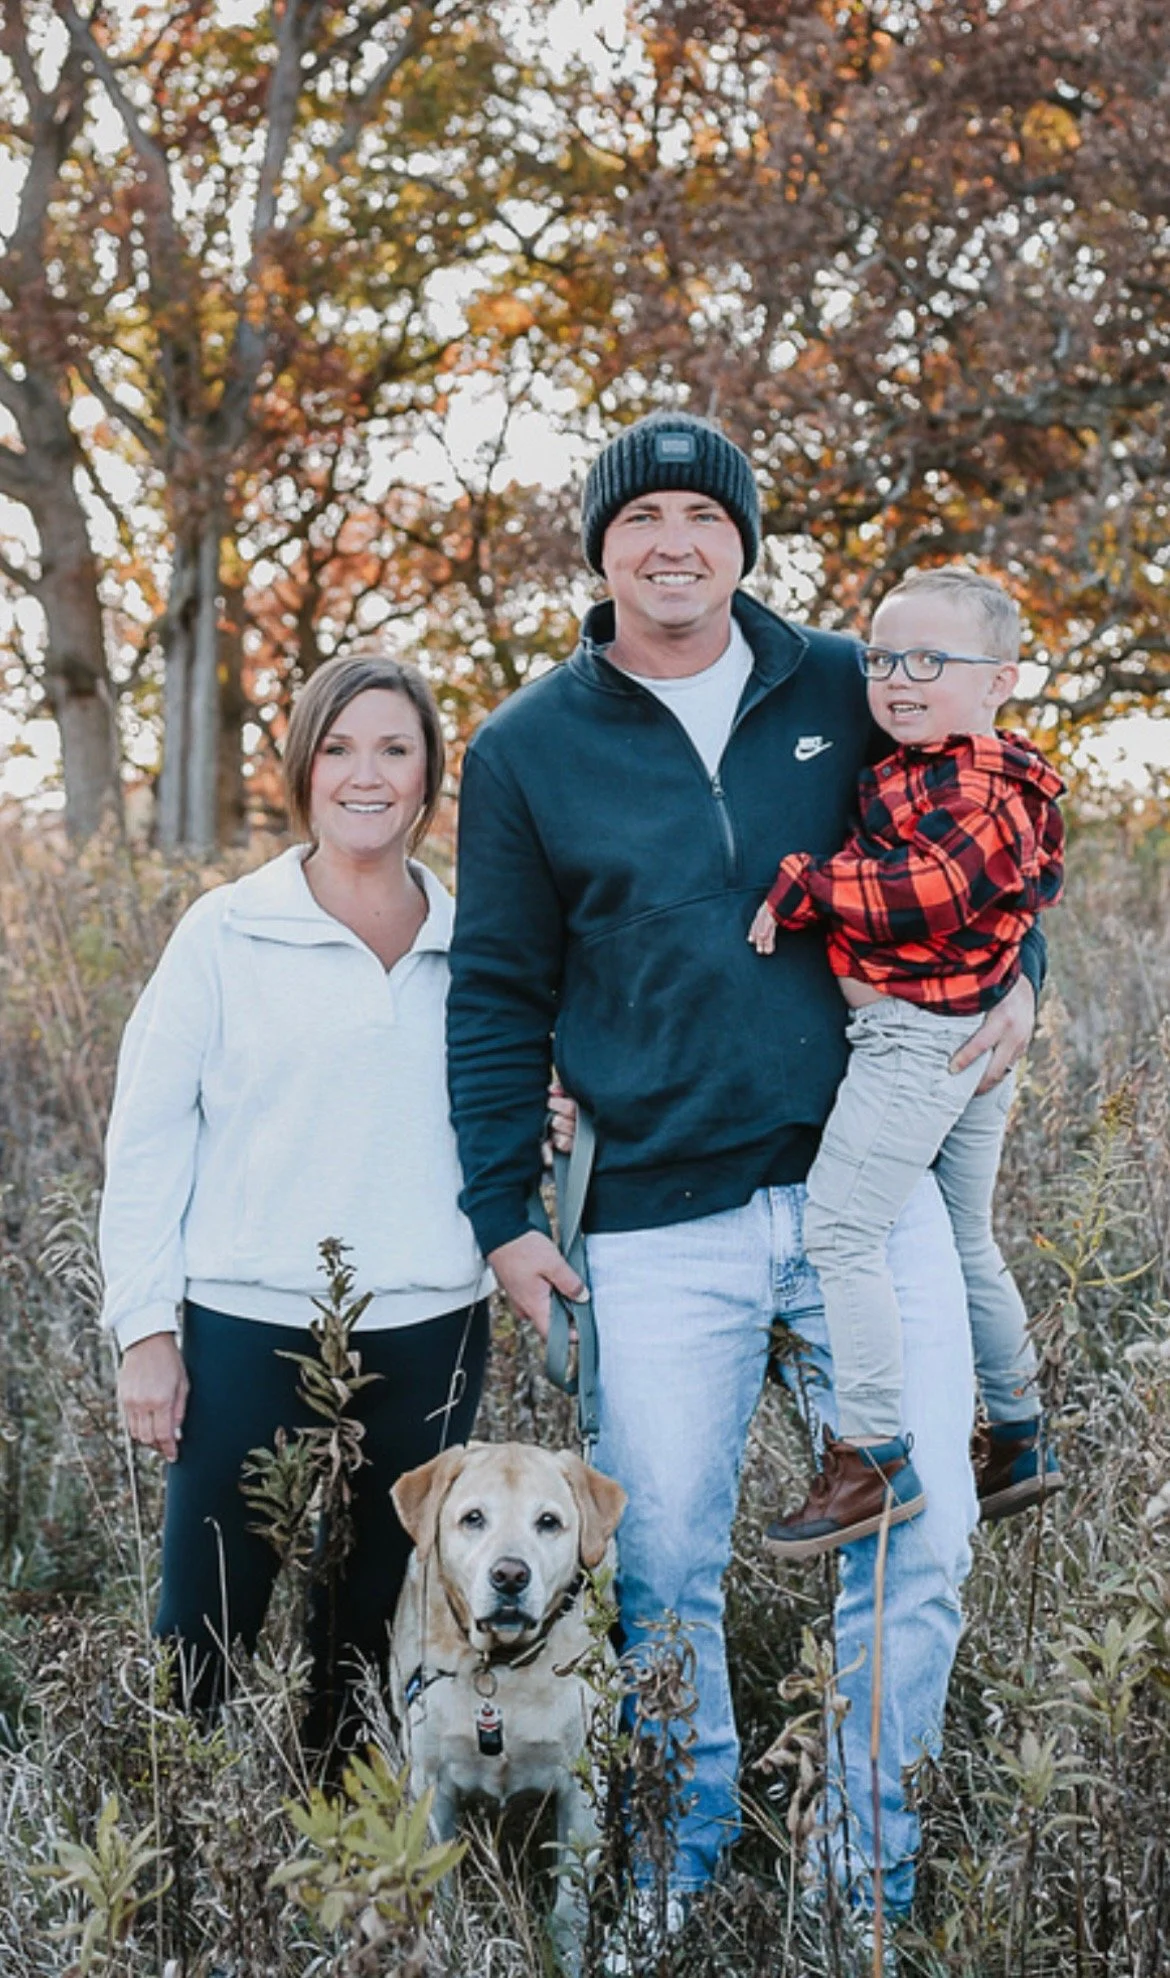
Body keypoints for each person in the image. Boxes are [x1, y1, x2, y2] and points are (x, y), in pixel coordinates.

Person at [445, 411, 1046, 1928]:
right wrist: (500, 1214)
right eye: (638, 519)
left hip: (862, 1179)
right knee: (655, 1565)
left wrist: (1020, 970)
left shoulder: (850, 680)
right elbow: (499, 990)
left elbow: (994, 820)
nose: (671, 544)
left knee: (918, 1538)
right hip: (655, 1210)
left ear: (742, 542)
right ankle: (676, 1851)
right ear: (597, 547)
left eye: (702, 520)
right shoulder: (527, 746)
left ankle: (859, 1865)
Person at [100, 655, 494, 1750]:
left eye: (395, 749)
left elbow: (518, 1110)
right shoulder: (225, 932)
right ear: (303, 768)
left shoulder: (480, 944)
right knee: (204, 1631)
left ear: (427, 777)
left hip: (430, 1325)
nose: (366, 775)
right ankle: (184, 1876)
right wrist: (144, 1329)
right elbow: (143, 1136)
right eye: (340, 748)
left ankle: (341, 1890)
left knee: (372, 1633)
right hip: (247, 1327)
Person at [749, 567, 1065, 1557]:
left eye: (931, 659)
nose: (898, 677)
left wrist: (803, 884)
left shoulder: (974, 784)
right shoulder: (923, 768)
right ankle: (1016, 1431)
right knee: (966, 1233)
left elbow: (926, 889)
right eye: (883, 657)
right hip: (962, 1033)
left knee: (841, 1231)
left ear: (1000, 679)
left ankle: (872, 1454)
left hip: (918, 1039)